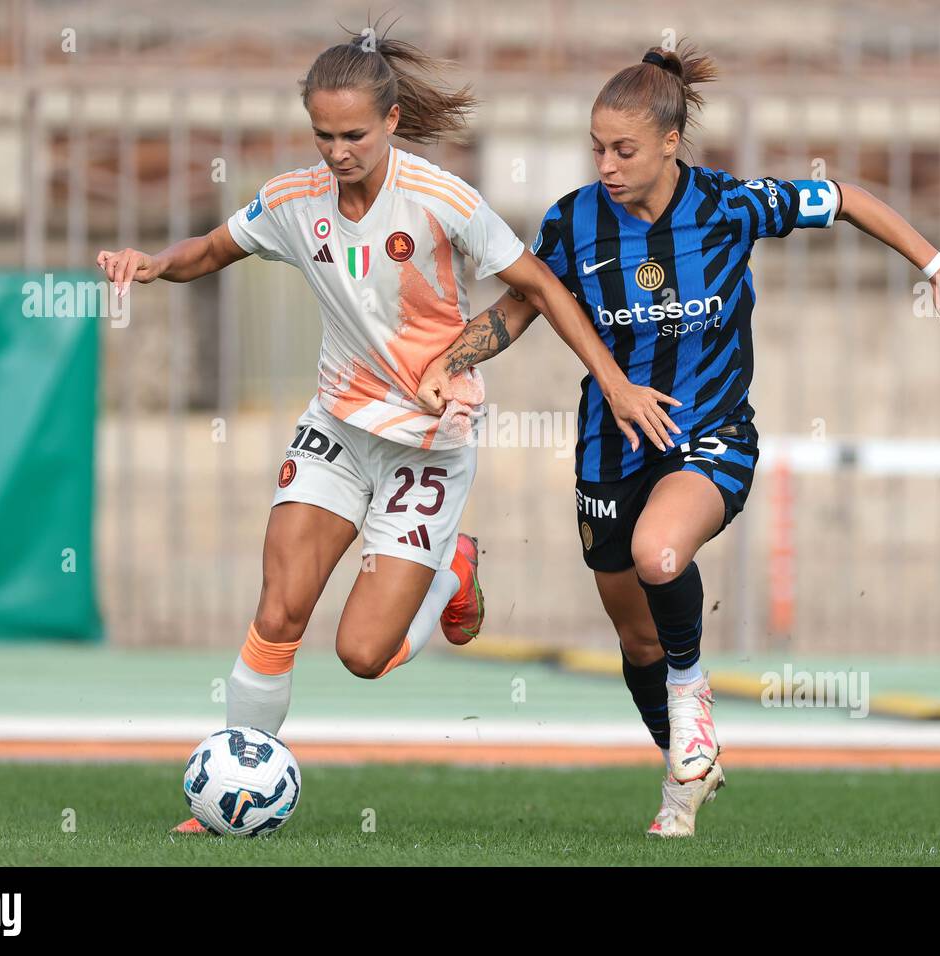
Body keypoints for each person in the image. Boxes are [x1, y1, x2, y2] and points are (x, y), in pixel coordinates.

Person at [97, 30, 675, 833]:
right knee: (279, 611)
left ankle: (450, 573)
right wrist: (156, 263)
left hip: (427, 446)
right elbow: (214, 249)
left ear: (392, 121)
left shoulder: (443, 199)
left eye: (354, 135)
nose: (338, 152)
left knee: (363, 655)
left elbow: (539, 285)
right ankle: (229, 791)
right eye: (324, 135)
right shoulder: (294, 201)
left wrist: (612, 382)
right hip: (337, 424)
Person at [418, 43, 940, 838]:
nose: (607, 165)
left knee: (662, 554)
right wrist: (447, 360)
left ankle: (692, 702)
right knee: (632, 630)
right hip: (608, 449)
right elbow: (518, 313)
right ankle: (686, 769)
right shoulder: (573, 220)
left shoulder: (728, 205)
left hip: (711, 437)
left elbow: (849, 197)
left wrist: (939, 267)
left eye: (624, 149)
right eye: (597, 148)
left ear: (667, 143)